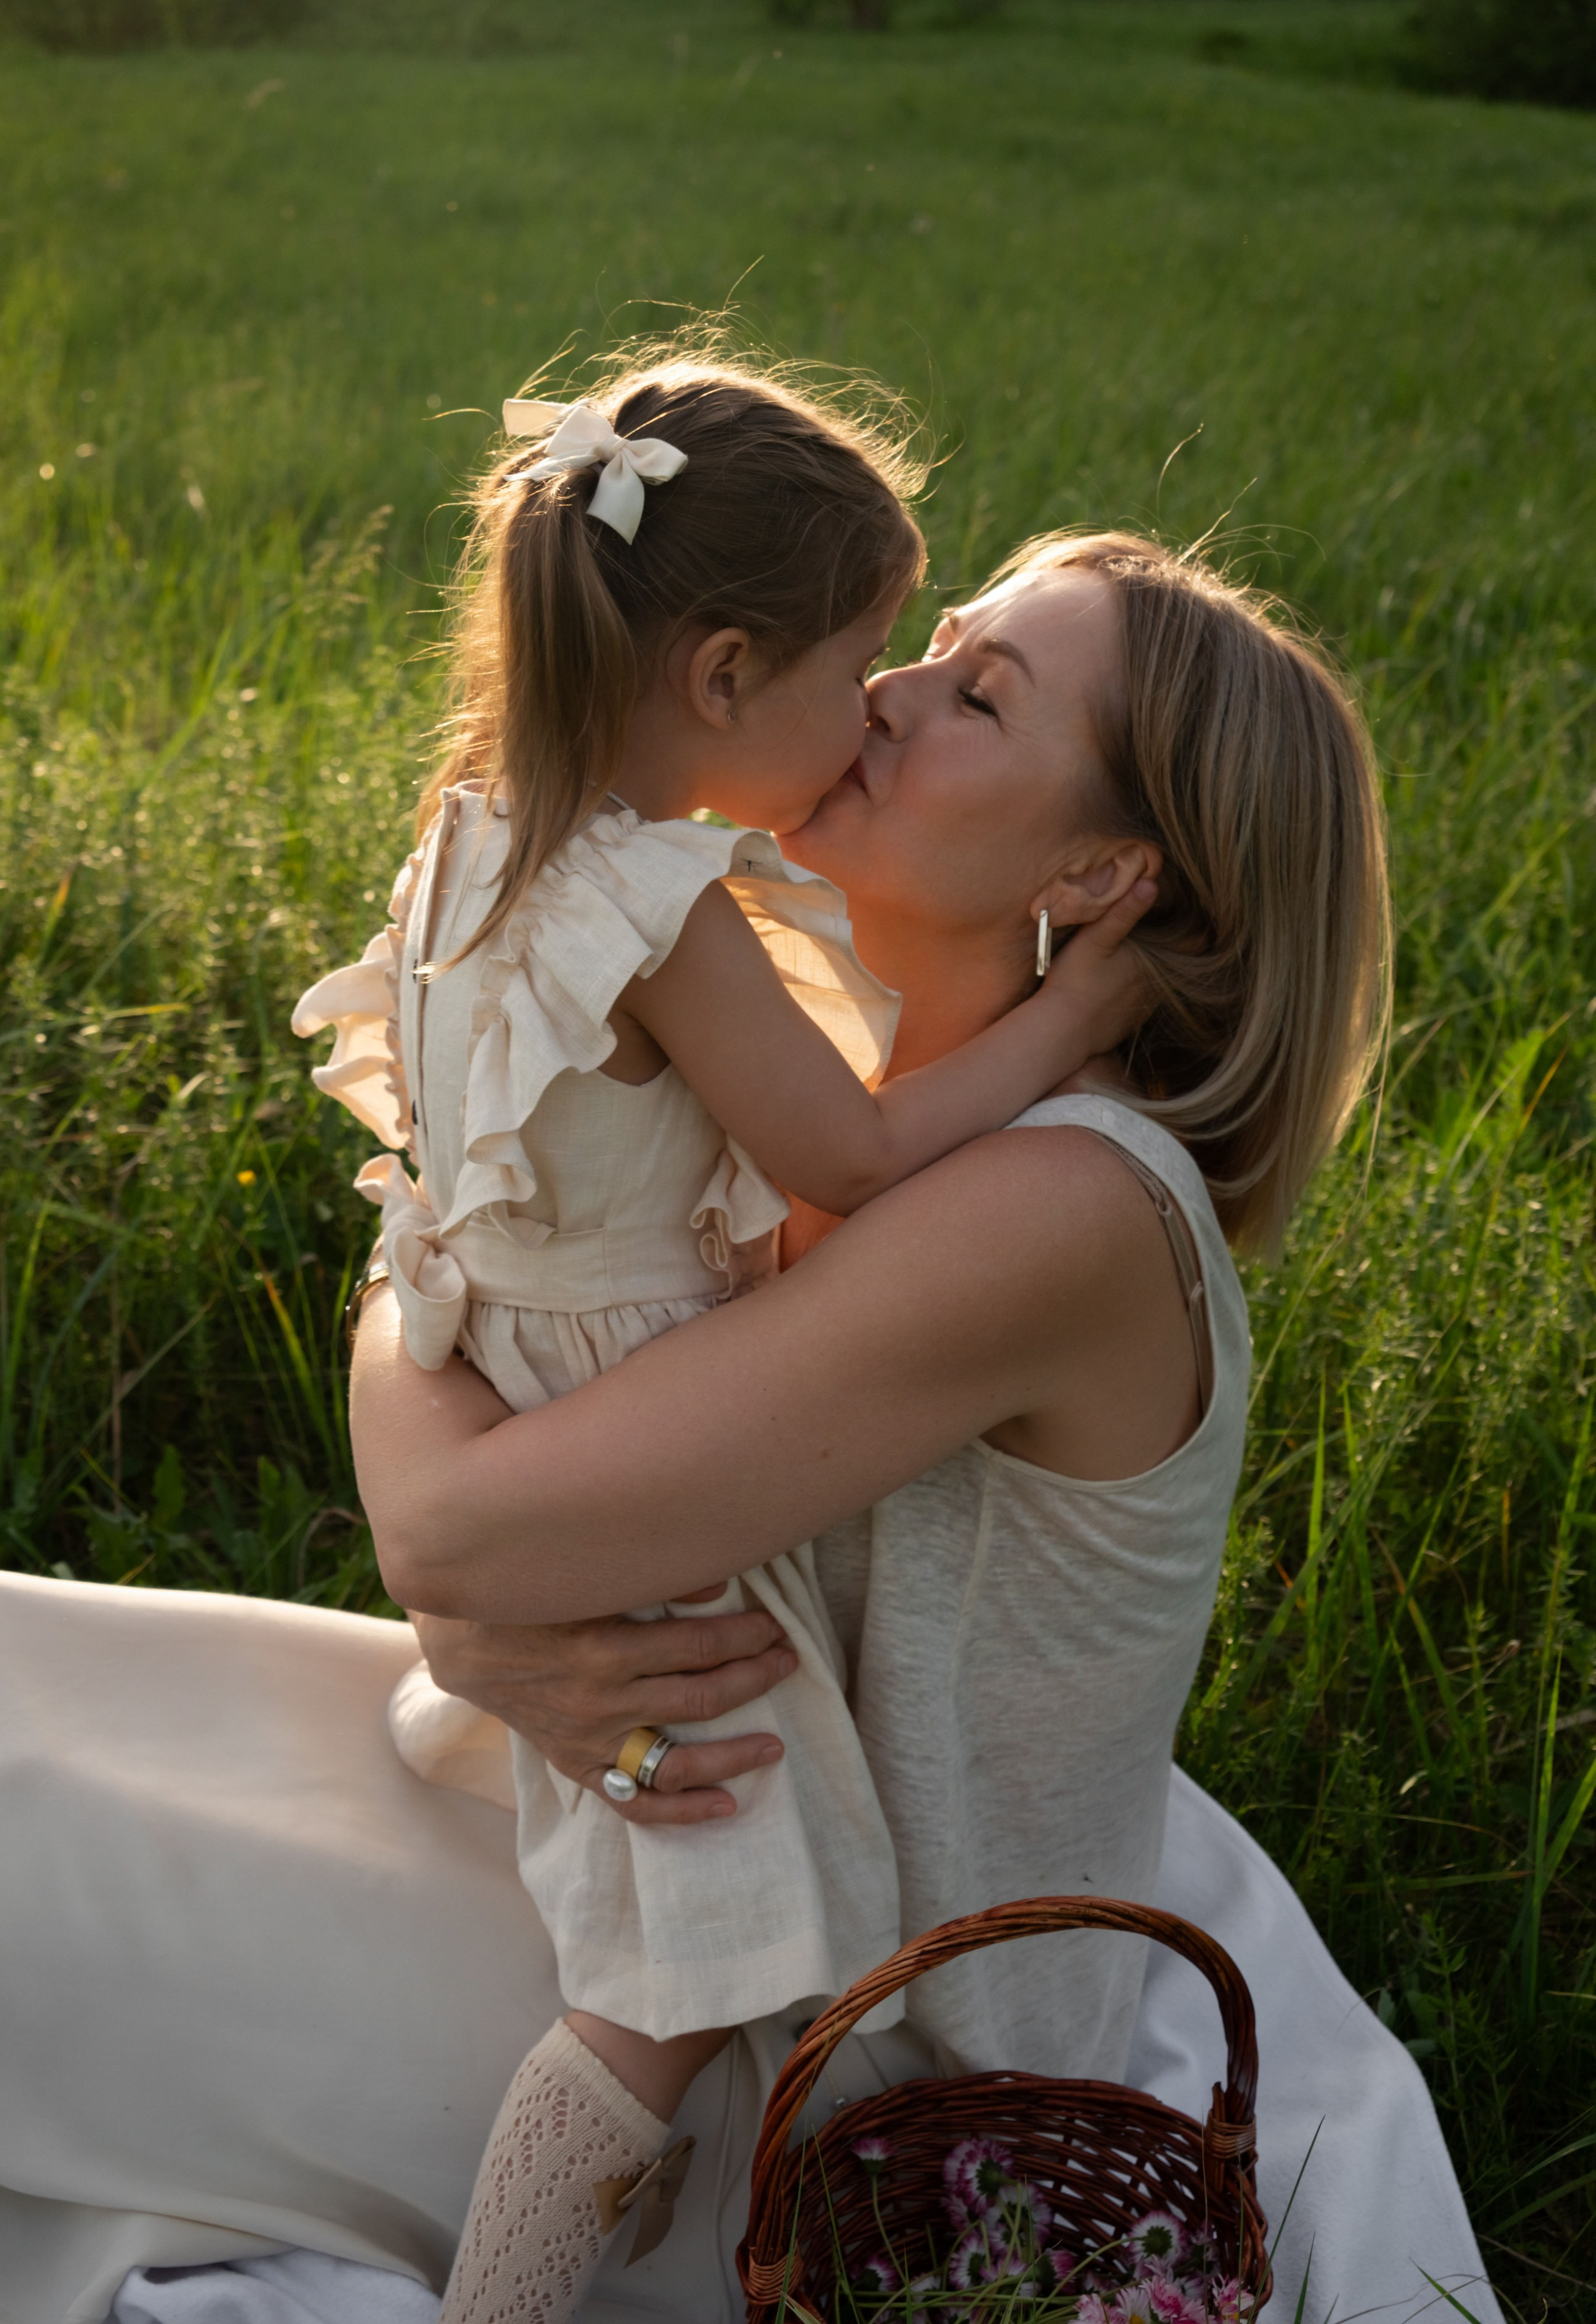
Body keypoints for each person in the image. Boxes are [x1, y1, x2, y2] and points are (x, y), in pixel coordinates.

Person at [0, 531, 1499, 2324]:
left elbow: (457, 1517)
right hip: (649, 1811)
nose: (887, 691)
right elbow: (446, 1256)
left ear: (1098, 873)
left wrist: (477, 1586)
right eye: (931, 644)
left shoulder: (1067, 1206)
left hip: (802, 2038)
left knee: (39, 1868)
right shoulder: (801, 1062)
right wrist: (481, 1606)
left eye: (979, 696)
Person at [292, 355, 1155, 2324]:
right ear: (723, 672)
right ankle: (511, 2294)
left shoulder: (473, 833)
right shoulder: (664, 902)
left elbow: (443, 1187)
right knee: (677, 1960)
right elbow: (850, 1147)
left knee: (682, 1905)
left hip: (516, 1368)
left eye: (957, 685)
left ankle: (655, 2204)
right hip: (635, 1420)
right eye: (862, 666)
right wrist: (1072, 1021)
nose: (880, 706)